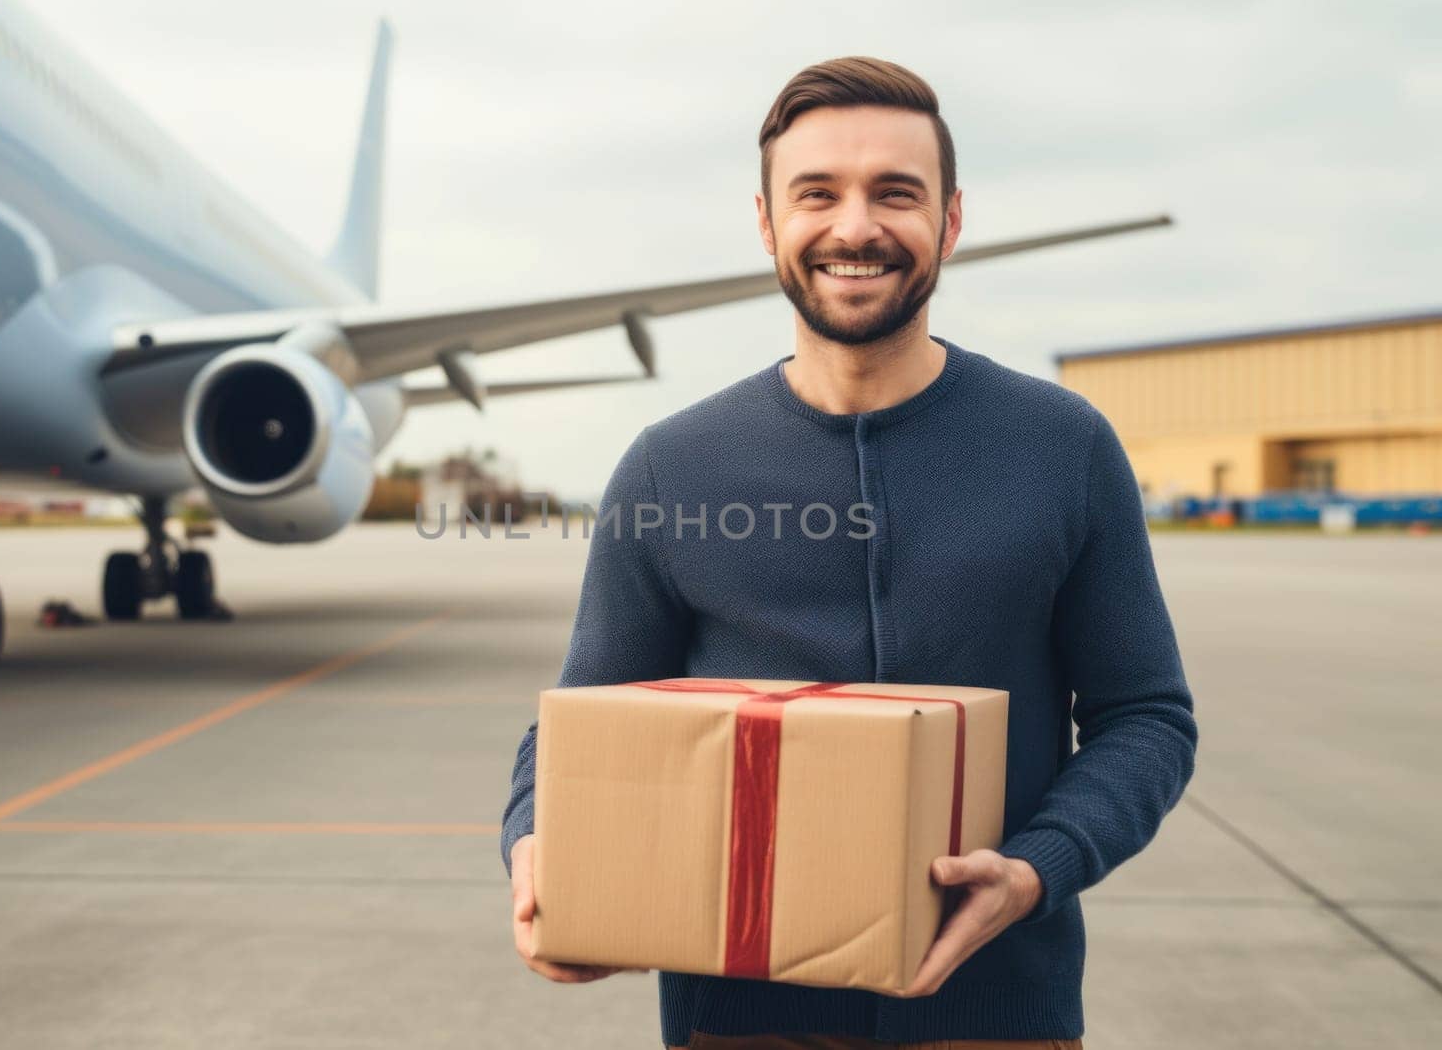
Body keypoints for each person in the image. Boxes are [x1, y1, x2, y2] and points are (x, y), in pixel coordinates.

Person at [499, 56, 1198, 1050]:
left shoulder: (1061, 447)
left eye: (896, 193)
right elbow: (573, 718)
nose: (856, 226)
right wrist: (536, 847)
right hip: (736, 1020)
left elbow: (1146, 717)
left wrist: (1037, 866)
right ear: (766, 222)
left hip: (999, 1013)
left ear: (950, 221)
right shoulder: (672, 467)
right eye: (816, 193)